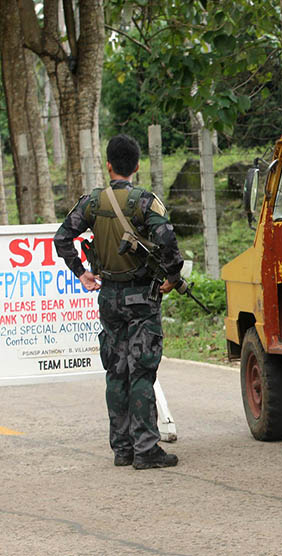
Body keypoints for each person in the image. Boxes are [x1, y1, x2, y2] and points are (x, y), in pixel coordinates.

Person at [53, 134, 182, 469]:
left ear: (108, 164)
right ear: (137, 166)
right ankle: (146, 449)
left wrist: (81, 272)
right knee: (142, 370)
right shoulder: (144, 202)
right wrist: (171, 275)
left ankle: (122, 449)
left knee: (116, 370)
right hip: (142, 297)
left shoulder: (92, 203)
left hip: (109, 296)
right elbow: (168, 239)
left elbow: (63, 237)